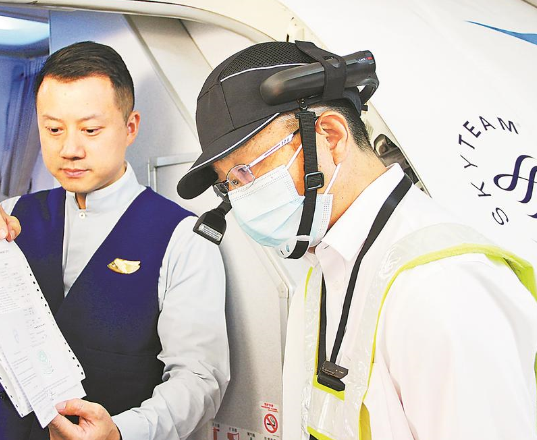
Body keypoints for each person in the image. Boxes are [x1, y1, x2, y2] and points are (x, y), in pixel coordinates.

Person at [176, 40, 537, 440]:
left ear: (330, 137)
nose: (241, 196)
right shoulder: (326, 267)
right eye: (229, 183)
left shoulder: (442, 288)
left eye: (247, 170)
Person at [0, 41, 229, 440]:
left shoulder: (182, 238)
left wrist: (121, 432)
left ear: (130, 127)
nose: (70, 149)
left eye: (90, 130)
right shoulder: (9, 216)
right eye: (53, 129)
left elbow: (199, 379)